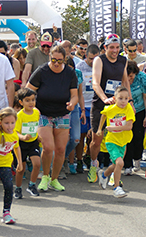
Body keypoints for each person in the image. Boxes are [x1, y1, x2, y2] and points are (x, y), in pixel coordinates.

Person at [26, 45, 78, 192]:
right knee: (48, 147)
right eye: (53, 60)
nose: (56, 63)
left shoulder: (70, 73)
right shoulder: (42, 71)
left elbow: (74, 95)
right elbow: (28, 89)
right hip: (43, 112)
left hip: (63, 112)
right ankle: (45, 176)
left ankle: (54, 179)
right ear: (49, 57)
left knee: (61, 149)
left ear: (65, 60)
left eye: (60, 61)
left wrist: (72, 103)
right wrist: (31, 105)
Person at [88, 33, 132, 183]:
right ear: (105, 47)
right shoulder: (99, 60)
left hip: (119, 106)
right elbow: (95, 82)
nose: (114, 50)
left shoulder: (123, 60)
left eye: (117, 47)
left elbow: (125, 82)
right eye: (111, 47)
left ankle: (115, 171)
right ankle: (94, 163)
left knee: (120, 139)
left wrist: (130, 100)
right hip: (102, 104)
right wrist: (104, 98)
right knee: (97, 140)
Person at [96, 86, 135, 198]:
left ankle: (103, 175)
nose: (123, 101)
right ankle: (116, 188)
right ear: (115, 98)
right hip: (111, 141)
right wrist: (100, 129)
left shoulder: (128, 109)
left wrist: (112, 128)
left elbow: (129, 126)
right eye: (120, 98)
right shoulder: (110, 108)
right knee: (119, 163)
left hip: (123, 141)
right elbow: (103, 114)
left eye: (126, 98)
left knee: (115, 164)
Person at [76, 44, 100, 173]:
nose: (93, 61)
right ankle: (79, 159)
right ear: (86, 56)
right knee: (81, 135)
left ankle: (89, 157)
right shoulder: (79, 67)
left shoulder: (101, 66)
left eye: (96, 58)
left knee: (94, 135)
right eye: (91, 59)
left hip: (96, 105)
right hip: (83, 105)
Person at [13, 88, 42, 198]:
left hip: (33, 142)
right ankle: (18, 188)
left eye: (33, 100)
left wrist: (38, 136)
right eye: (27, 100)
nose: (31, 102)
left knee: (37, 163)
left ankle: (32, 185)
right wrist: (23, 137)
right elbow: (15, 132)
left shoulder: (36, 112)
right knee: (21, 168)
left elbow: (35, 126)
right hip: (21, 145)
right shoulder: (19, 115)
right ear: (21, 102)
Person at [124, 61, 146, 175]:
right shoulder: (121, 79)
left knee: (138, 136)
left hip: (139, 109)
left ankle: (137, 160)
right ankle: (127, 164)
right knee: (127, 137)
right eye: (127, 76)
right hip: (125, 111)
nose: (130, 79)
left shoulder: (142, 78)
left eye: (131, 76)